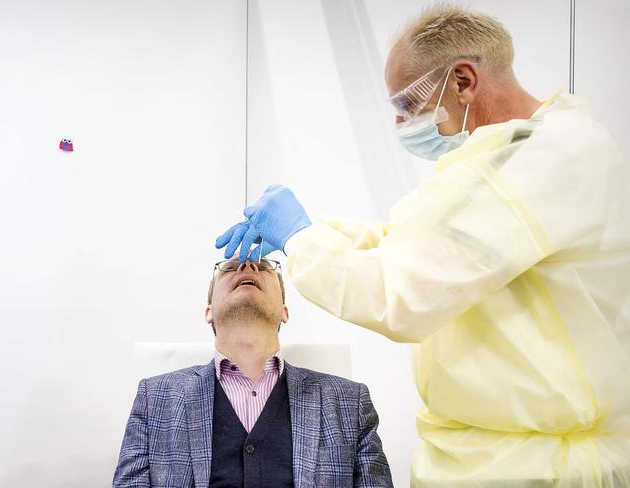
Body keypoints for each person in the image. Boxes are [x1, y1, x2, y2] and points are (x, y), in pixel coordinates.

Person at [215, 5, 630, 487]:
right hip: (482, 456)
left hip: (534, 467)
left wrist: (299, 236)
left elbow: (402, 294)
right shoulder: (507, 157)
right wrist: (309, 232)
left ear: (462, 82)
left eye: (408, 106)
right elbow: (406, 243)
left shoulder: (549, 159)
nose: (400, 124)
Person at [113, 257, 393, 488]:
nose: (248, 267)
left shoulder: (349, 402)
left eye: (264, 266)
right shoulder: (154, 399)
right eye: (231, 268)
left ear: (284, 311)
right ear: (209, 311)